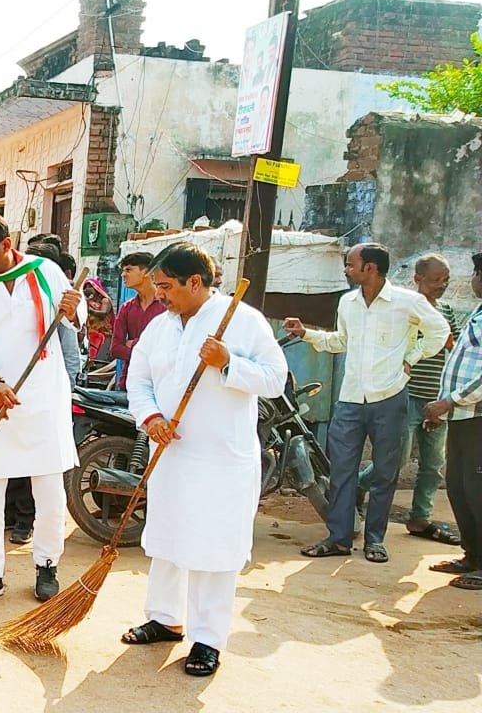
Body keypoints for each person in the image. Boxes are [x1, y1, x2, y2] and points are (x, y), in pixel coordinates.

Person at [121, 242, 288, 678]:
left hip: (220, 460)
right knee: (168, 540)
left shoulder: (243, 321)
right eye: (157, 287)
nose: (159, 295)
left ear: (194, 282)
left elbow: (275, 379)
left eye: (166, 286)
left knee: (213, 550)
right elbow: (138, 380)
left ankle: (208, 640)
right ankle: (164, 618)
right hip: (172, 454)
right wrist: (151, 416)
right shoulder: (160, 327)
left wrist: (228, 361)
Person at [287, 243, 450, 564]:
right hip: (350, 400)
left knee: (384, 474)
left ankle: (374, 540)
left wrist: (412, 357)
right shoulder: (348, 302)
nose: (346, 270)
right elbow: (340, 341)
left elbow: (440, 331)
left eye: (351, 264)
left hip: (389, 398)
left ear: (371, 268)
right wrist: (307, 334)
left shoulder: (407, 301)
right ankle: (339, 538)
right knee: (342, 472)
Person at [0, 212, 80, 607]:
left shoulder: (46, 271)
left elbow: (75, 321)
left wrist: (74, 309)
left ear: (6, 245)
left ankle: (46, 566)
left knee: (49, 490)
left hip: (42, 398)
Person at [2, 239, 86, 545]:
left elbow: (70, 350)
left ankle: (26, 520)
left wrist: (68, 388)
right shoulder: (13, 292)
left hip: (46, 396)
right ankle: (10, 513)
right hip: (14, 393)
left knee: (35, 467)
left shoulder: (57, 299)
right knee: (9, 458)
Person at [424, 251, 482, 591]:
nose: (473, 279)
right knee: (459, 486)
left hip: (476, 416)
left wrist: (450, 401)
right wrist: (445, 406)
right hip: (461, 415)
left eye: (476, 272)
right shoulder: (477, 311)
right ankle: (472, 554)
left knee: (476, 488)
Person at [401, 255, 462, 545]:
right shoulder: (405, 309)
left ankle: (420, 518)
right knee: (397, 458)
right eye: (436, 279)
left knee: (433, 463)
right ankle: (356, 490)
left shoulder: (447, 312)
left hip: (435, 399)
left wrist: (442, 402)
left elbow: (455, 350)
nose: (442, 285)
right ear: (418, 279)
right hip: (406, 394)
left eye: (445, 279)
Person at [111, 251, 166, 390]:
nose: (123, 275)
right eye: (123, 270)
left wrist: (134, 343)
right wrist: (147, 355)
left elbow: (167, 348)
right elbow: (116, 349)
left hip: (159, 383)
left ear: (146, 272)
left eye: (129, 270)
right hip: (129, 381)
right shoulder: (126, 308)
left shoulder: (166, 306)